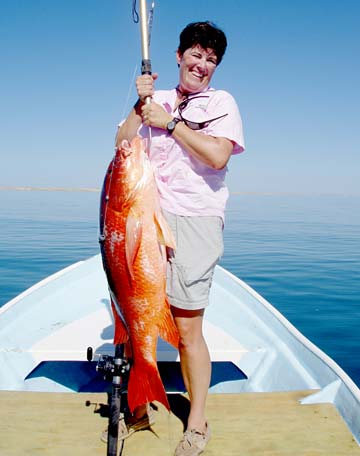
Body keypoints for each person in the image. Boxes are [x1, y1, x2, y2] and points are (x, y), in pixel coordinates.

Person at [115, 21, 244, 456]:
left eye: (211, 59)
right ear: (178, 56)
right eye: (196, 54)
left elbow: (218, 153)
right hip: (147, 219)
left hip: (194, 220)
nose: (202, 64)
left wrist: (170, 124)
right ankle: (138, 402)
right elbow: (121, 144)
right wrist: (139, 105)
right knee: (138, 314)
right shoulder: (156, 100)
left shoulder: (221, 103)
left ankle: (197, 422)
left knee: (188, 329)